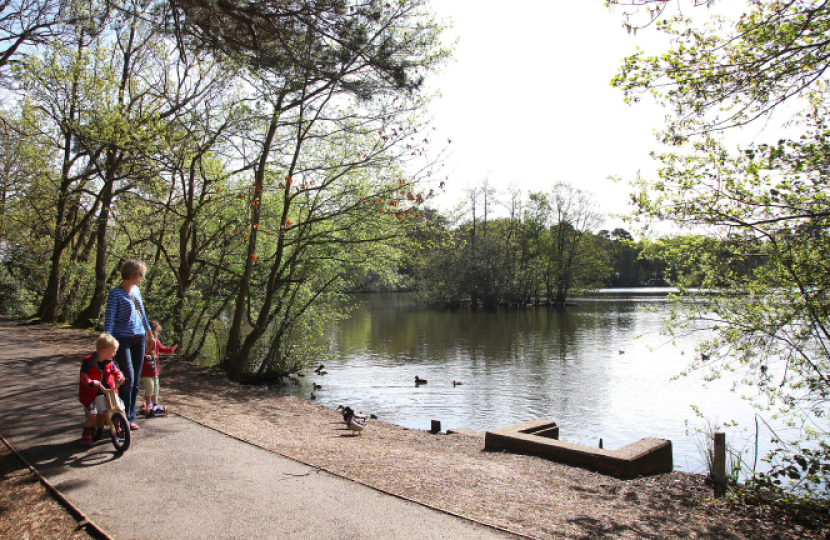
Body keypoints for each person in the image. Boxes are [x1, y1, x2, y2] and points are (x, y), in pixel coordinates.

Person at [104, 259, 154, 430]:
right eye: (141, 275)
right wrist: (107, 339)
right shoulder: (115, 294)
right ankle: (121, 416)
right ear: (132, 275)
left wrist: (149, 333)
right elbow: (109, 318)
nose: (142, 278)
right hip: (122, 340)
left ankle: (130, 418)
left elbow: (142, 313)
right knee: (128, 379)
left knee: (136, 380)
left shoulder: (137, 291)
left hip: (139, 338)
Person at [78, 333, 125, 447]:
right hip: (92, 392)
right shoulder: (89, 361)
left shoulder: (109, 362)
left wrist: (120, 377)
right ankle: (87, 432)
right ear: (103, 351)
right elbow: (83, 374)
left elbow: (116, 371)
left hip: (108, 391)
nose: (115, 354)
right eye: (113, 351)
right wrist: (90, 382)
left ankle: (118, 425)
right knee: (93, 414)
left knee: (117, 407)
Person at [140, 320, 178, 416]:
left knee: (156, 387)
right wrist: (146, 356)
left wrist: (171, 349)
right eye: (156, 332)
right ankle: (148, 404)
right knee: (150, 387)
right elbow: (139, 353)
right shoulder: (143, 342)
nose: (157, 334)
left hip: (154, 371)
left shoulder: (156, 342)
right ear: (150, 332)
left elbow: (162, 349)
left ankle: (154, 403)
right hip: (145, 371)